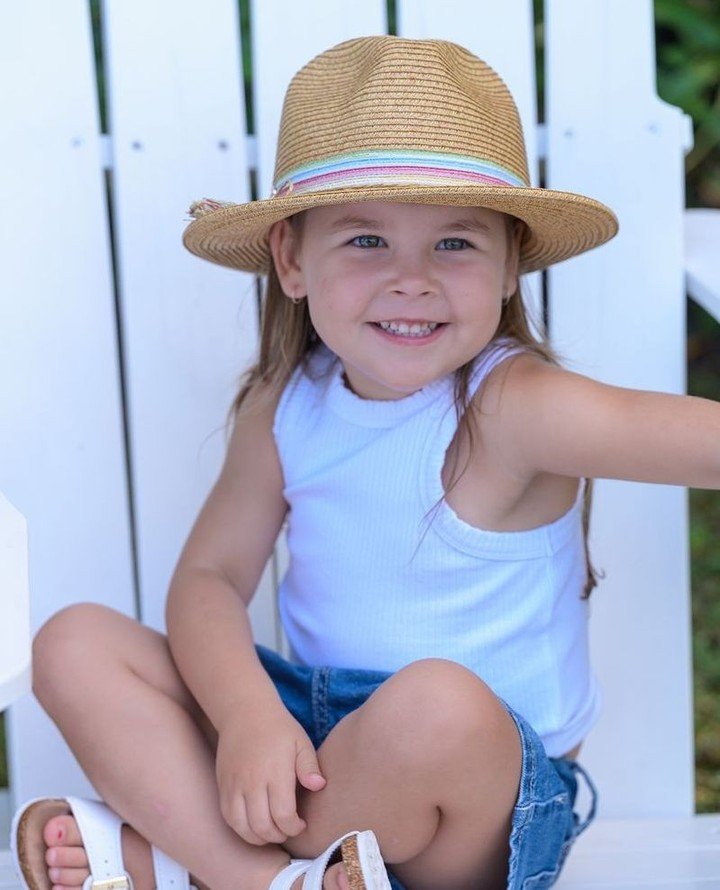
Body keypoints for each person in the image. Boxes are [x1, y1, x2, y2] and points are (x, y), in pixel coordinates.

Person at [11, 34, 719, 890]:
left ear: (509, 265)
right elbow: (208, 578)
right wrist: (247, 717)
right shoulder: (287, 406)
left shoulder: (515, 408)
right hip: (309, 748)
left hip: (482, 799)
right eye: (366, 241)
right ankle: (283, 880)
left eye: (454, 244)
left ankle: (199, 864)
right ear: (291, 260)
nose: (411, 279)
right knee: (74, 642)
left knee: (437, 702)